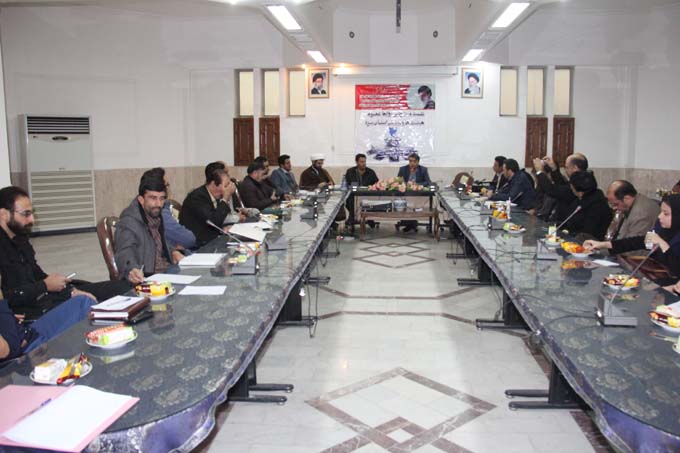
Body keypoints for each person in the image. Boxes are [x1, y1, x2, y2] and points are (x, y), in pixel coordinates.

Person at [0, 186, 130, 320]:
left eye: (32, 213)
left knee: (121, 287)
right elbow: (8, 298)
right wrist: (45, 286)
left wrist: (68, 290)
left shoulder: (19, 238)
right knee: (88, 305)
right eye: (26, 214)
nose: (32, 220)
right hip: (32, 310)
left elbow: (37, 275)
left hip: (46, 296)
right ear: (3, 214)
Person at [585, 194, 680, 279]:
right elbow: (637, 242)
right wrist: (603, 244)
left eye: (666, 213)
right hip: (653, 277)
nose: (660, 216)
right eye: (661, 212)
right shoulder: (663, 228)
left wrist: (663, 244)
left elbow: (676, 268)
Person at [115, 175, 186, 284]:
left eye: (162, 198)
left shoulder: (155, 215)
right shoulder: (129, 221)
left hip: (168, 271)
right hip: (149, 278)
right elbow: (125, 250)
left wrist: (173, 252)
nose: (158, 204)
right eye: (153, 198)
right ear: (141, 199)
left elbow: (157, 244)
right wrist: (131, 269)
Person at [0, 295, 95, 362]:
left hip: (24, 334)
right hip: (26, 350)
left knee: (83, 303)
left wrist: (7, 319)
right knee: (85, 307)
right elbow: (6, 351)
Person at [180, 167, 240, 246]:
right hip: (198, 243)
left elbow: (219, 218)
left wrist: (224, 228)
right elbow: (213, 221)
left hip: (211, 237)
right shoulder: (197, 197)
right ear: (214, 184)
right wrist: (225, 198)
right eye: (226, 186)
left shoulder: (216, 196)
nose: (228, 189)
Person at [141, 168, 196, 250]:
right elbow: (189, 239)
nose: (168, 188)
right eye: (167, 185)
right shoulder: (160, 212)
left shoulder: (164, 207)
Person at [534, 153, 590, 222]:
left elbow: (552, 190)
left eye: (566, 167)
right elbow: (561, 185)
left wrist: (539, 171)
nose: (565, 170)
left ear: (575, 168)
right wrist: (554, 169)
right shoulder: (582, 179)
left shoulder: (581, 184)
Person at [563, 171, 612, 241]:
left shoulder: (597, 206)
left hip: (589, 241)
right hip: (575, 236)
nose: (571, 189)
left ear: (580, 192)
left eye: (572, 188)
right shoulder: (581, 199)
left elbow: (587, 232)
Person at [397, 153, 431, 233]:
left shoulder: (423, 170)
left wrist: (417, 184)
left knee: (414, 203)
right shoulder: (403, 169)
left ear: (418, 162)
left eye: (414, 161)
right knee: (404, 202)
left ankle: (411, 224)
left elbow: (428, 182)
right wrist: (404, 184)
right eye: (410, 161)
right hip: (405, 194)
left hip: (418, 195)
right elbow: (398, 181)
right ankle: (409, 223)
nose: (412, 163)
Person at [345, 153, 379, 227]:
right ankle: (352, 217)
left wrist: (372, 187)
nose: (364, 164)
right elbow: (347, 183)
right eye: (361, 162)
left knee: (372, 201)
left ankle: (369, 218)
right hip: (354, 195)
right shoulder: (350, 171)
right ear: (357, 162)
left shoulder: (370, 172)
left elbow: (377, 183)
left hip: (368, 195)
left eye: (364, 161)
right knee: (350, 200)